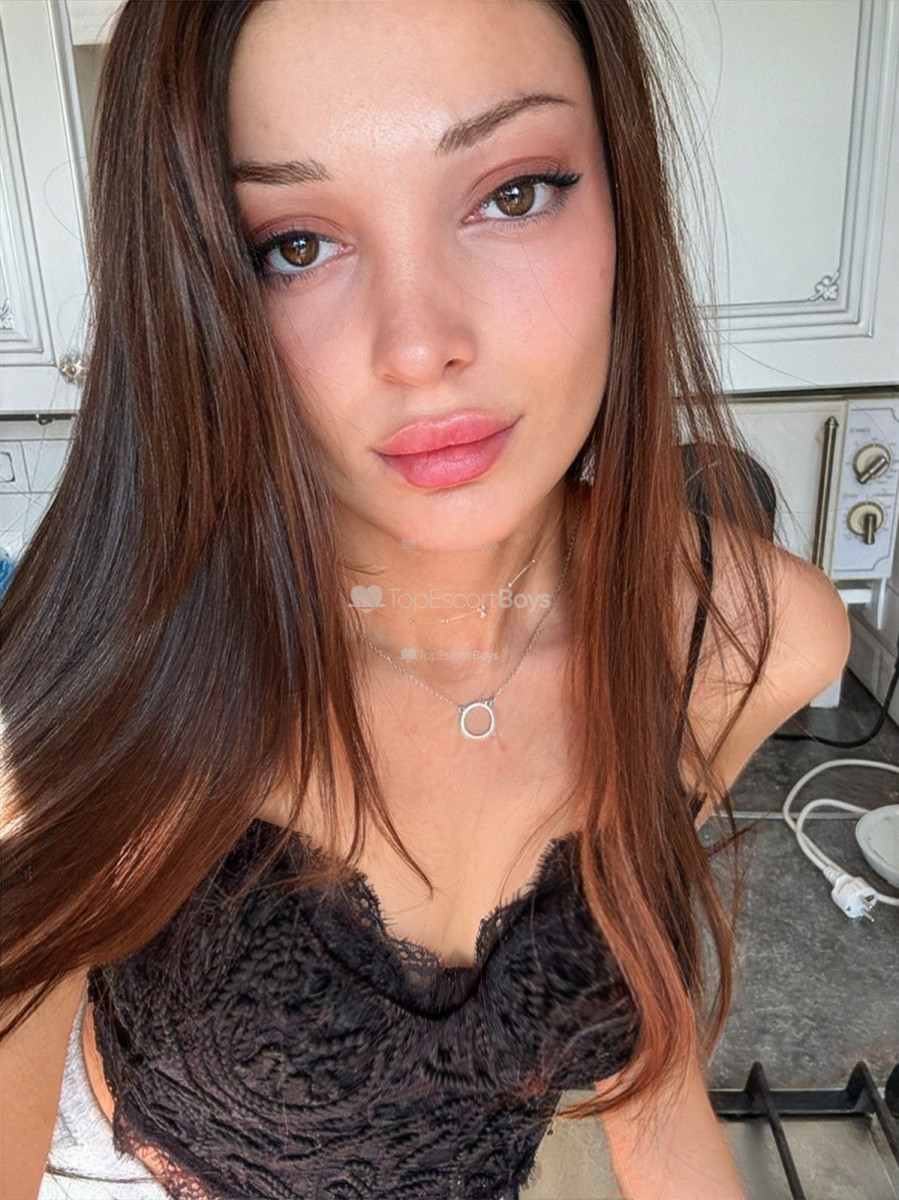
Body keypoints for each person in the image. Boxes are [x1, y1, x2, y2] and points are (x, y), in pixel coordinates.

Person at [0, 2, 850, 1198]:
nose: (418, 346)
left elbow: (642, 1056)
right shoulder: (97, 696)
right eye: (294, 244)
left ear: (621, 197)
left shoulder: (744, 641)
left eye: (512, 193)